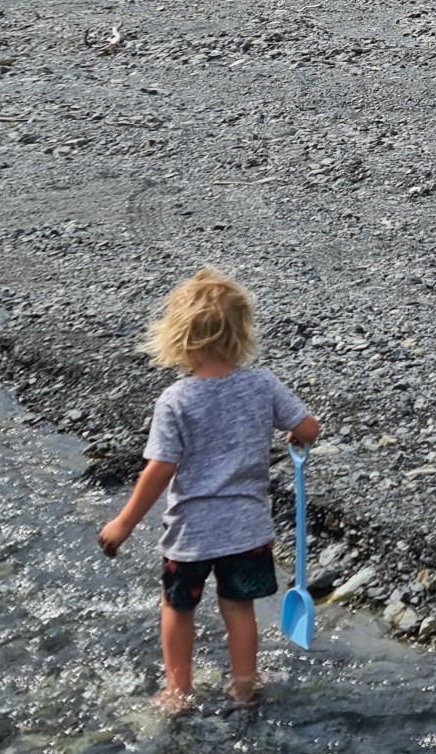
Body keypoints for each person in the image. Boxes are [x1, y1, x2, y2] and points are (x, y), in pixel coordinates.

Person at [98, 268, 320, 711]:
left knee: (178, 608)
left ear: (178, 339)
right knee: (238, 608)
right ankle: (244, 684)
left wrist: (123, 522)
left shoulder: (176, 400)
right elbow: (308, 426)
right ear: (241, 334)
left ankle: (178, 692)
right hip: (248, 528)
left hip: (192, 533)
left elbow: (160, 469)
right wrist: (295, 438)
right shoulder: (262, 385)